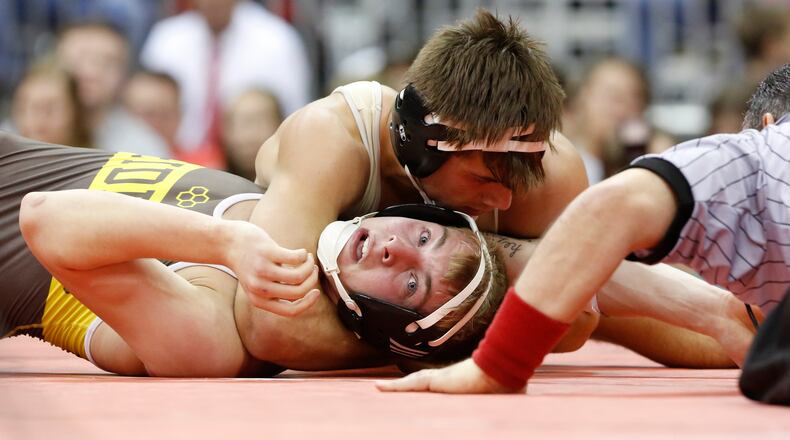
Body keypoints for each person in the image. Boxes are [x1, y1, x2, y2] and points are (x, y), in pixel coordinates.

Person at [2, 133, 751, 376]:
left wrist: (221, 240)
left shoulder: (214, 337)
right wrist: (711, 311)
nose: (393, 245)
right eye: (421, 234)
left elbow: (45, 220)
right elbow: (537, 272)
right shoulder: (329, 226)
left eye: (410, 279)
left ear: (388, 320)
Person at [248, 8, 726, 363]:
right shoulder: (332, 138)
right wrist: (434, 339)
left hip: (443, 309)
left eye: (514, 182)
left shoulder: (550, 173)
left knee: (670, 318)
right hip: (272, 258)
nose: (502, 200)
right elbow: (267, 326)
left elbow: (575, 325)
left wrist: (450, 319)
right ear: (420, 145)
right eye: (483, 178)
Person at [377, 64, 790, 405]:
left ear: (766, 128)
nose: (500, 200)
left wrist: (498, 365)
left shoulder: (761, 153)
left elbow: (611, 212)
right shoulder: (345, 133)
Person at [140, 0, 312, 161]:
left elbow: (294, 118)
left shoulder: (278, 40)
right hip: (173, 160)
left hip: (253, 165)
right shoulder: (166, 38)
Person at [56, 21, 170, 157]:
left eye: (107, 63)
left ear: (124, 76)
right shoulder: (29, 135)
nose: (91, 72)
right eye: (79, 59)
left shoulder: (143, 148)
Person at [11, 59, 90, 147]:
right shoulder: (5, 157)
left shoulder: (102, 159)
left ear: (75, 112)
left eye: (49, 110)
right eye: (30, 108)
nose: (38, 122)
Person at [222, 89, 284, 180]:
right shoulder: (210, 185)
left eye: (259, 123)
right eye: (241, 125)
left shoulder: (302, 184)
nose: (249, 137)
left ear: (280, 124)